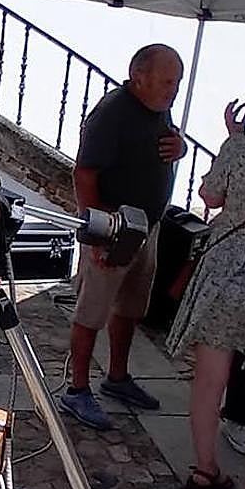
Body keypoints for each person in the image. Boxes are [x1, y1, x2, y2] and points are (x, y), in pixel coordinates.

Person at [167, 61, 245, 489]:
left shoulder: (241, 147)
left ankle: (206, 469)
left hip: (223, 274)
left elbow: (210, 198)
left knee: (209, 382)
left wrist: (234, 138)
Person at [60, 44, 188, 430]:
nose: (173, 91)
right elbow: (84, 174)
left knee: (131, 306)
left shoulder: (156, 107)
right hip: (113, 229)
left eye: (177, 83)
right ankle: (76, 390)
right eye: (167, 82)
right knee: (92, 310)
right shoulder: (111, 113)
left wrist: (179, 145)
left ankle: (117, 378)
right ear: (139, 76)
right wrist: (98, 234)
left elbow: (162, 141)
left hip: (147, 226)